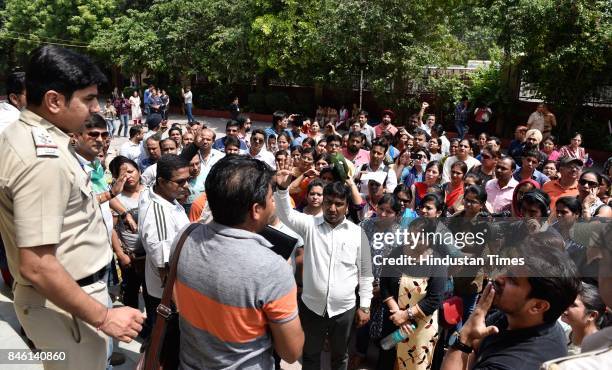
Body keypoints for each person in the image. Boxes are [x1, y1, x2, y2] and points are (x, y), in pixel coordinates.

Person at [0, 45, 143, 370]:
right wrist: (104, 317)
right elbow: (37, 265)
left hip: (66, 299)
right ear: (53, 100)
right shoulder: (41, 159)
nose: (97, 107)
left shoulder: (32, 137)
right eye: (88, 99)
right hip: (68, 306)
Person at [174, 156, 304, 368]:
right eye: (271, 198)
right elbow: (291, 352)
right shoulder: (273, 269)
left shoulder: (184, 237)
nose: (273, 203)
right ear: (255, 209)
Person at [275, 169, 373, 370]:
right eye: (329, 202)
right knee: (310, 355)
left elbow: (365, 272)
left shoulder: (357, 233)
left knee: (340, 357)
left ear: (347, 207)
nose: (333, 208)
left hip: (344, 309)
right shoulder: (310, 225)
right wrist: (283, 189)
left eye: (339, 204)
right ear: (323, 202)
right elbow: (285, 214)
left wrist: (364, 305)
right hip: (311, 307)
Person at [441, 235, 581, 370]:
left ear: (537, 306)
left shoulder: (515, 364)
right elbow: (476, 350)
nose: (498, 278)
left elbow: (471, 347)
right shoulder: (514, 318)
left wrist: (464, 339)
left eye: (513, 280)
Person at [378, 217, 447, 370]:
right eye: (410, 234)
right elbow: (384, 283)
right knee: (390, 362)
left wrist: (406, 315)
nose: (412, 239)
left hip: (420, 328)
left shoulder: (437, 262)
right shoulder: (397, 253)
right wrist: (397, 313)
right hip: (394, 320)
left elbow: (434, 299)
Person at [138, 154, 190, 332]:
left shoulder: (165, 198)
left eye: (187, 180)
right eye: (180, 182)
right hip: (168, 298)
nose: (186, 186)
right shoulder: (159, 214)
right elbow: (165, 270)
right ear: (161, 181)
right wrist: (180, 308)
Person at [560, 282, 606, 355]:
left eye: (573, 305)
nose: (564, 306)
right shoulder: (563, 335)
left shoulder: (599, 351)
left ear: (592, 315)